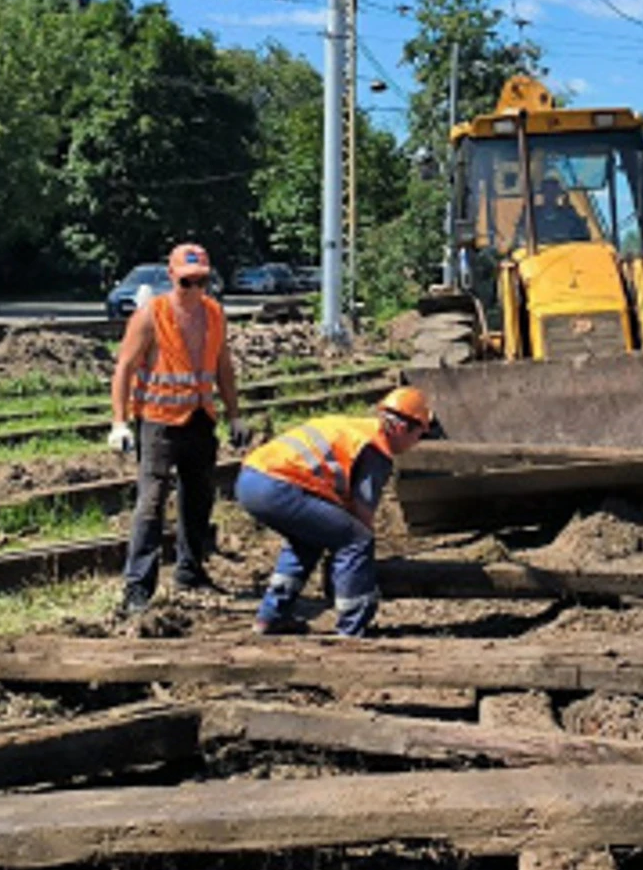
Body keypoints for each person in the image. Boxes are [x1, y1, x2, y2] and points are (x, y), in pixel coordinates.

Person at [108, 242, 248, 614]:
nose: (195, 290)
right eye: (187, 282)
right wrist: (119, 421)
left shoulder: (214, 314)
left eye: (202, 281)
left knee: (199, 497)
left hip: (200, 418)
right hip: (158, 422)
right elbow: (123, 367)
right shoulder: (151, 315)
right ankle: (137, 588)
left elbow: (223, 367)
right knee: (151, 503)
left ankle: (190, 569)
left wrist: (234, 414)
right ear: (171, 277)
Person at [238, 386, 433, 636]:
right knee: (356, 539)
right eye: (419, 435)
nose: (416, 444)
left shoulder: (355, 429)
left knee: (307, 541)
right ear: (401, 428)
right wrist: (363, 564)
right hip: (279, 487)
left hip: (251, 479)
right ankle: (352, 626)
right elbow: (362, 516)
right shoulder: (376, 448)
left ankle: (272, 617)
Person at [528, 176, 591, 245]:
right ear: (542, 193)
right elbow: (521, 237)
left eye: (553, 191)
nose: (550, 194)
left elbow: (582, 237)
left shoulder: (570, 214)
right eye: (547, 191)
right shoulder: (532, 215)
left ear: (558, 193)